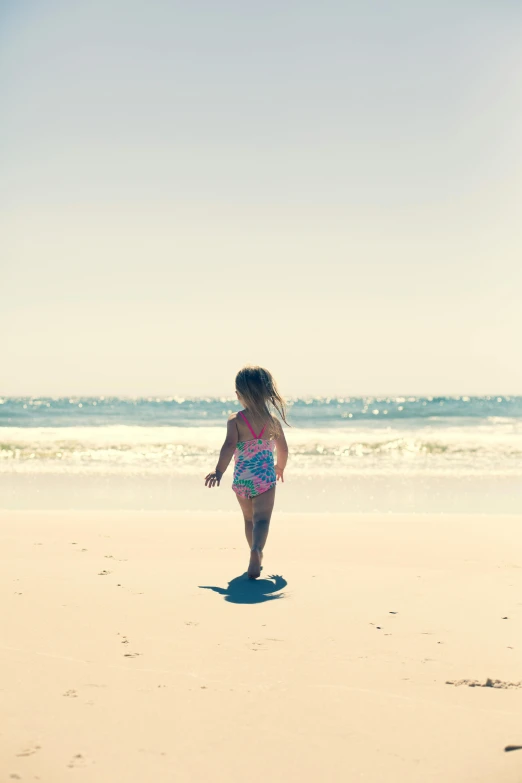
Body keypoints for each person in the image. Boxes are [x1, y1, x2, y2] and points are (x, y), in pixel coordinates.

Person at [204, 366, 289, 579]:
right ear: (268, 392)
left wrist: (219, 471)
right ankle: (257, 551)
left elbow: (229, 445)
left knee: (249, 519)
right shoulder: (272, 421)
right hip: (265, 479)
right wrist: (280, 467)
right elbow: (283, 449)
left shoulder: (235, 420)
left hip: (242, 480)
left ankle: (253, 551)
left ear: (238, 395)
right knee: (262, 520)